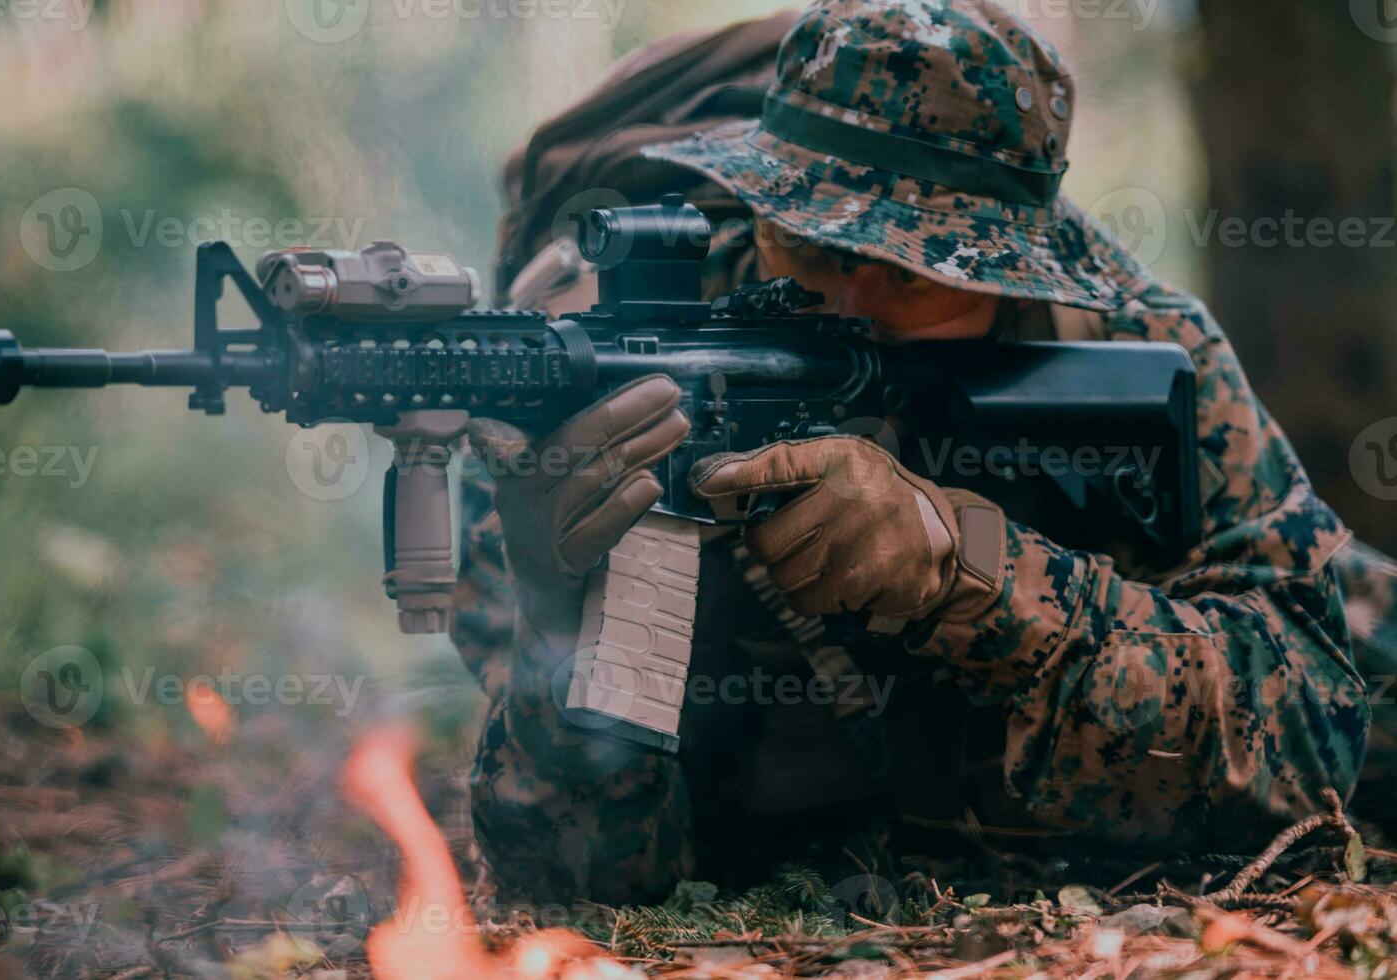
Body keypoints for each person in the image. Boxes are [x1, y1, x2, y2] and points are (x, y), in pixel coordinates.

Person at [455, 0, 1371, 905]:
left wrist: (971, 576)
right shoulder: (596, 372)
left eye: (907, 272)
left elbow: (1313, 735)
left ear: (1011, 273)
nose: (841, 310)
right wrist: (559, 615)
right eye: (805, 247)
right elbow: (568, 875)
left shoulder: (1131, 342)